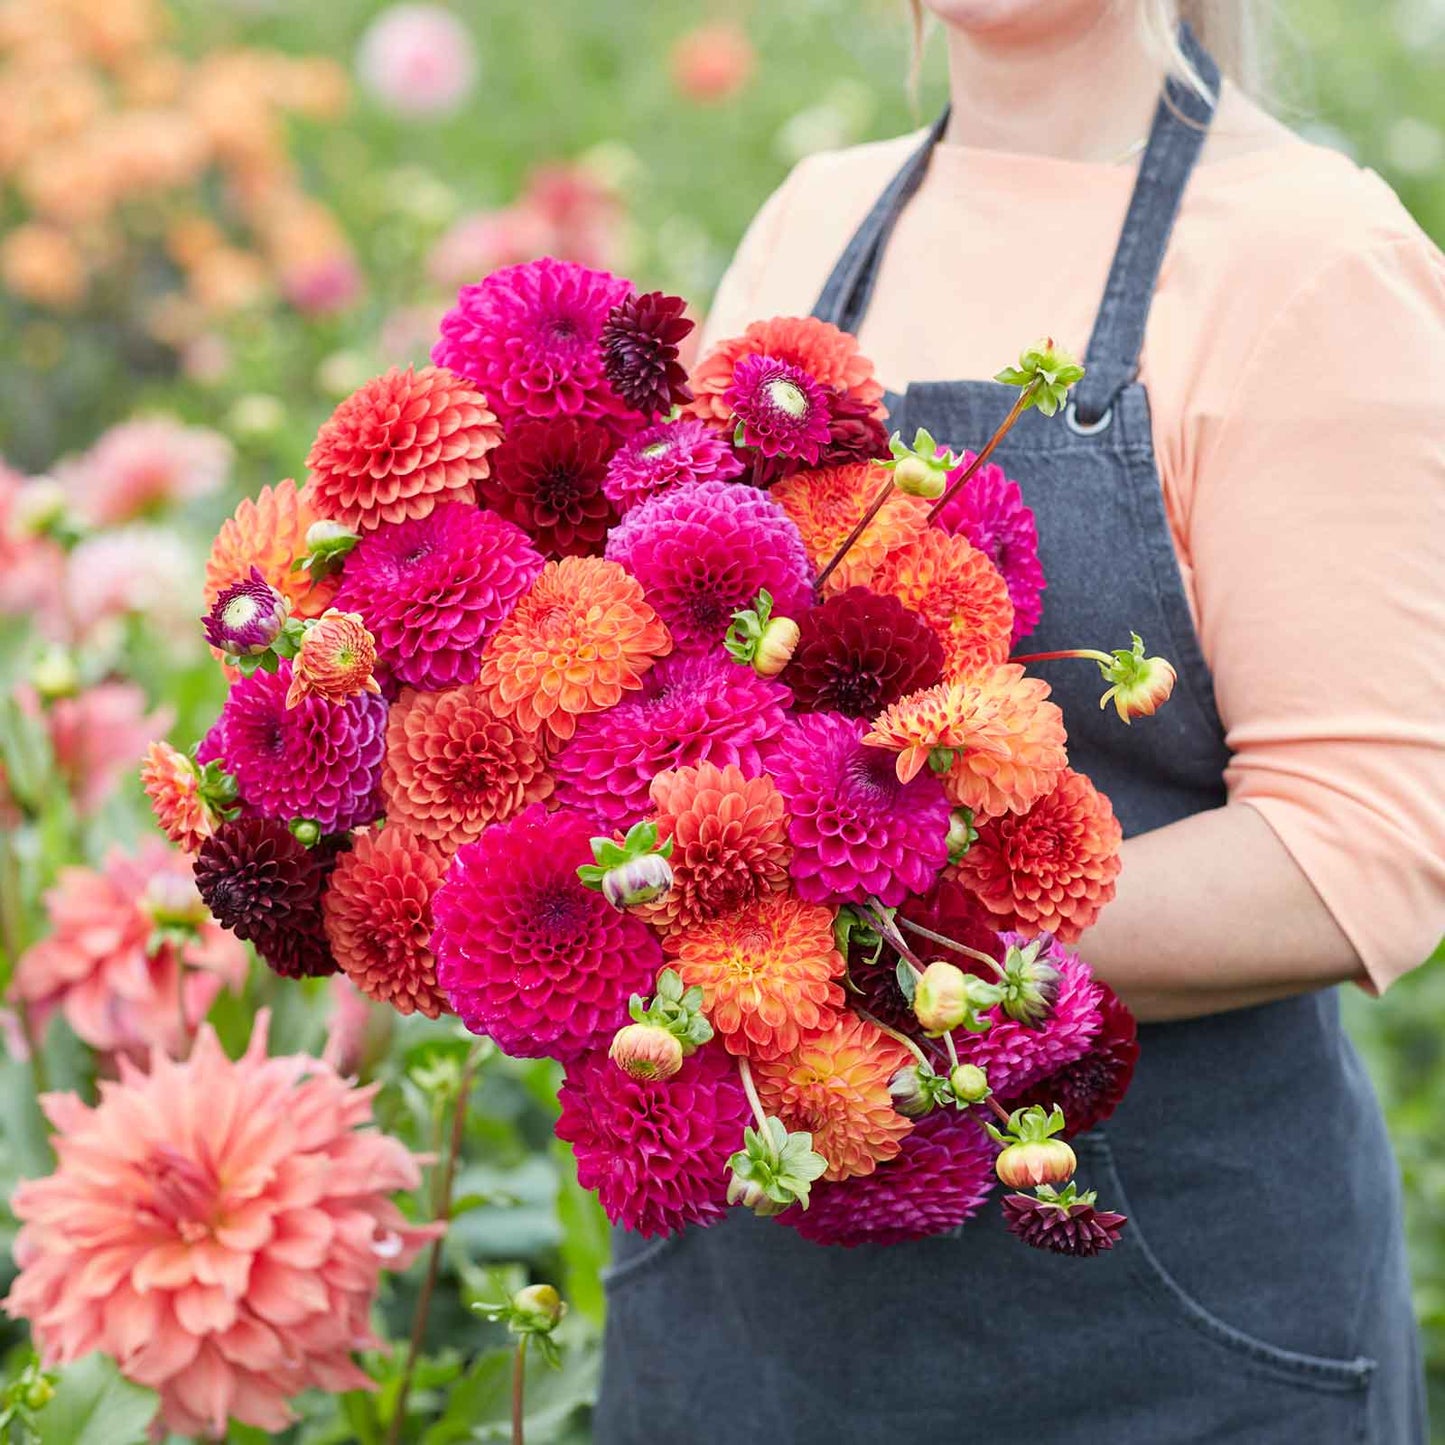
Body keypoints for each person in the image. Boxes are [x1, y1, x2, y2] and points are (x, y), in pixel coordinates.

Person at [594, 2, 1445, 1441]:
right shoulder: (816, 218)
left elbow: (1357, 848)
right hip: (745, 1306)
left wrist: (859, 934)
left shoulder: (1300, 259)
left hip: (1147, 1321)